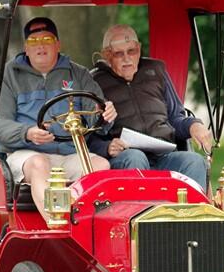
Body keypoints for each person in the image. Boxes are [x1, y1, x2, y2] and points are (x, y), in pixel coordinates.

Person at [0, 17, 116, 220]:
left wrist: (105, 114)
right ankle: (56, 222)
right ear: (26, 47)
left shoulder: (78, 74)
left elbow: (96, 118)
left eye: (47, 40)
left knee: (101, 166)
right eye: (33, 41)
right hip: (25, 154)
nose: (40, 45)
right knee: (40, 163)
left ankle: (84, 225)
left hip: (68, 153)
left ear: (58, 44)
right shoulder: (7, 76)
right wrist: (27, 133)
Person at [89, 24, 212, 189]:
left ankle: (192, 214)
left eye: (131, 51)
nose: (127, 59)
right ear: (107, 55)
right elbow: (88, 134)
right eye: (119, 54)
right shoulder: (95, 82)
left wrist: (194, 125)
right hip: (126, 157)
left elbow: (176, 117)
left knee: (195, 161)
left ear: (139, 49)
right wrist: (107, 147)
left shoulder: (156, 71)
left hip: (164, 154)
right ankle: (139, 214)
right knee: (135, 157)